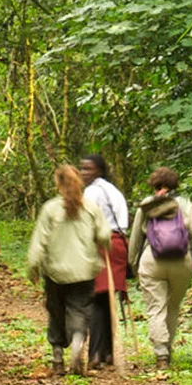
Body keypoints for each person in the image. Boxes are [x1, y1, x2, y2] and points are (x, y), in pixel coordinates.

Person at [27, 165, 111, 376]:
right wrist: (103, 246)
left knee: (56, 311)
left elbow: (39, 241)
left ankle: (57, 357)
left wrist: (33, 267)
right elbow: (104, 235)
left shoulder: (50, 209)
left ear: (58, 183)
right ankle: (77, 340)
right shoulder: (90, 208)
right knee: (79, 310)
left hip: (55, 271)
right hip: (84, 270)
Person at [127, 166, 192, 370]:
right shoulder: (184, 205)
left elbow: (136, 238)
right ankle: (168, 347)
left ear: (154, 185)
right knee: (173, 306)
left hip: (152, 260)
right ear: (175, 184)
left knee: (156, 307)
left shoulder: (146, 205)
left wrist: (133, 265)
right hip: (182, 260)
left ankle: (161, 354)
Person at [78, 154, 129, 368]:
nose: (83, 173)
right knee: (108, 297)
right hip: (118, 245)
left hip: (102, 244)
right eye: (81, 168)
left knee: (97, 298)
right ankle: (107, 353)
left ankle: (95, 354)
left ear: (98, 170)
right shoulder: (113, 190)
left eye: (87, 169)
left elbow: (86, 221)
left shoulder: (92, 192)